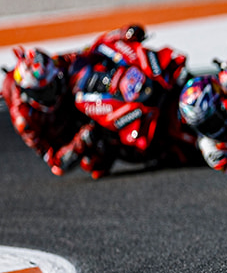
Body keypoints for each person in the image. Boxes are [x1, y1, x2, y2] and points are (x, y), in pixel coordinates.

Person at [0, 24, 151, 178]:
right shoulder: (24, 120)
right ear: (30, 94)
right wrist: (79, 142)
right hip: (72, 134)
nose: (52, 92)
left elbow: (87, 52)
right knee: (94, 163)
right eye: (46, 91)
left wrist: (121, 35)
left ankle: (133, 81)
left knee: (89, 68)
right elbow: (55, 164)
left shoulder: (55, 64)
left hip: (74, 104)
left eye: (53, 83)